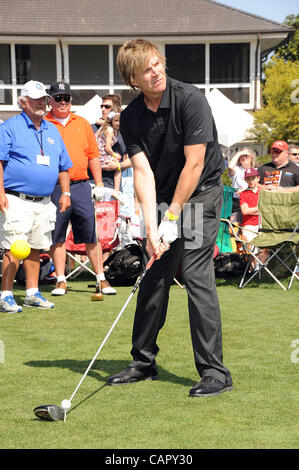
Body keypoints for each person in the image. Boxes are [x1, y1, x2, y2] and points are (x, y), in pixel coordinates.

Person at [106, 39, 233, 397]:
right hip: (163, 196)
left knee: (195, 273)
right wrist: (151, 226)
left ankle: (215, 372)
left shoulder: (190, 98)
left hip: (201, 191)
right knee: (153, 272)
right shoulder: (130, 118)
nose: (157, 71)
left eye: (158, 63)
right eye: (147, 69)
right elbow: (142, 173)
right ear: (133, 79)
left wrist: (173, 216)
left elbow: (194, 164)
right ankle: (143, 362)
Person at [0, 80, 73, 313]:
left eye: (43, 98)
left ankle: (32, 293)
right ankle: (6, 294)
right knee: (14, 247)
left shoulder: (52, 129)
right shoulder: (10, 127)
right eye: (35, 99)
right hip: (16, 198)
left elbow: (63, 166)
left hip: (43, 201)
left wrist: (66, 193)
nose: (42, 103)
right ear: (23, 102)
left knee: (36, 247)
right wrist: (0, 192)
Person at [45, 81, 116, 296]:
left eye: (66, 98)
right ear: (50, 100)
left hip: (81, 185)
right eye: (58, 98)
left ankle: (101, 279)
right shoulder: (44, 123)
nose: (63, 102)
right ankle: (60, 280)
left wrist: (100, 183)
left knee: (90, 232)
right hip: (54, 187)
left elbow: (93, 155)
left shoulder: (82, 123)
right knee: (57, 235)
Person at [95, 109, 122, 201]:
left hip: (99, 154)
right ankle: (116, 191)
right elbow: (107, 148)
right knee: (118, 167)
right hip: (100, 155)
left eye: (120, 120)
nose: (118, 123)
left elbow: (99, 121)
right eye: (116, 121)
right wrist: (115, 155)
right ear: (111, 121)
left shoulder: (108, 127)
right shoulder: (110, 130)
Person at [228, 148, 257, 217]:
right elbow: (230, 166)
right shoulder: (236, 169)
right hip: (237, 202)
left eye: (246, 156)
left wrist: (245, 190)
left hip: (251, 201)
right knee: (236, 225)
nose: (244, 158)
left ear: (251, 157)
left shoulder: (256, 170)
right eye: (242, 156)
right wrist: (239, 153)